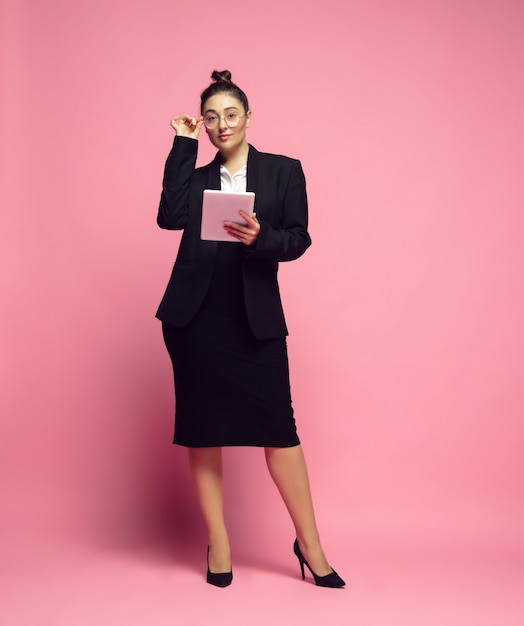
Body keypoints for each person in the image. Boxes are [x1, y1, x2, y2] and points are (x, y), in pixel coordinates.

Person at [156, 70, 345, 589]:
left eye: (230, 115)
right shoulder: (195, 177)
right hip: (194, 318)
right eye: (211, 117)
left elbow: (299, 238)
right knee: (203, 428)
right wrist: (182, 143)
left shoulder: (284, 172)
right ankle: (218, 540)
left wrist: (262, 238)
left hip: (255, 315)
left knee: (279, 432)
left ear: (248, 117)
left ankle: (310, 543)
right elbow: (169, 217)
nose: (221, 125)